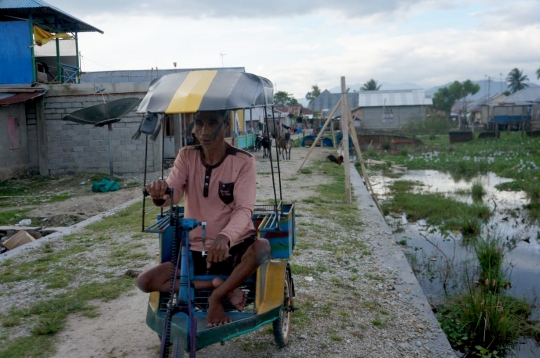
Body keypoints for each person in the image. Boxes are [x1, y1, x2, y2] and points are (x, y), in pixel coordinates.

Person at [137, 110, 271, 327]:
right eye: (198, 123)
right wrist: (159, 194)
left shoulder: (243, 160)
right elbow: (174, 193)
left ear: (226, 125)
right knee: (145, 281)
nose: (203, 131)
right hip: (195, 249)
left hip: (232, 247)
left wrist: (225, 237)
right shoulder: (186, 155)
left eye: (212, 123)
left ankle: (216, 297)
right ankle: (216, 284)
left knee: (262, 247)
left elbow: (244, 208)